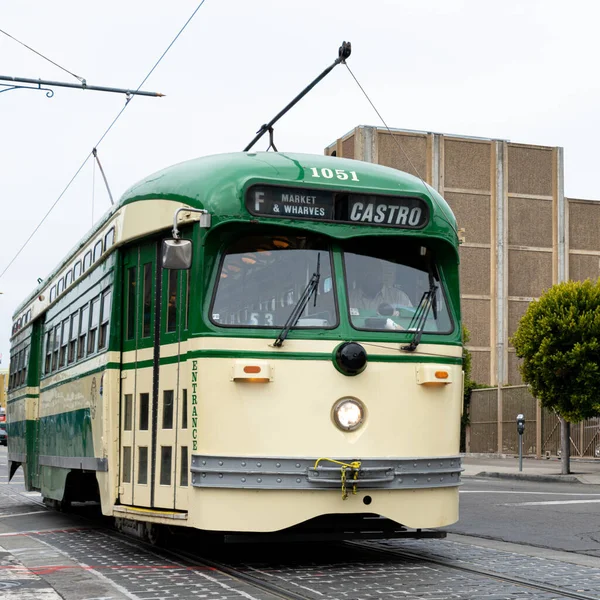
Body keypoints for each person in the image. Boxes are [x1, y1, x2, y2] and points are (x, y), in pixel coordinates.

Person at [348, 256, 412, 315]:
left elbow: (411, 321)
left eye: (375, 271)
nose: (371, 276)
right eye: (367, 271)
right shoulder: (349, 298)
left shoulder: (399, 297)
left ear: (381, 274)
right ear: (360, 275)